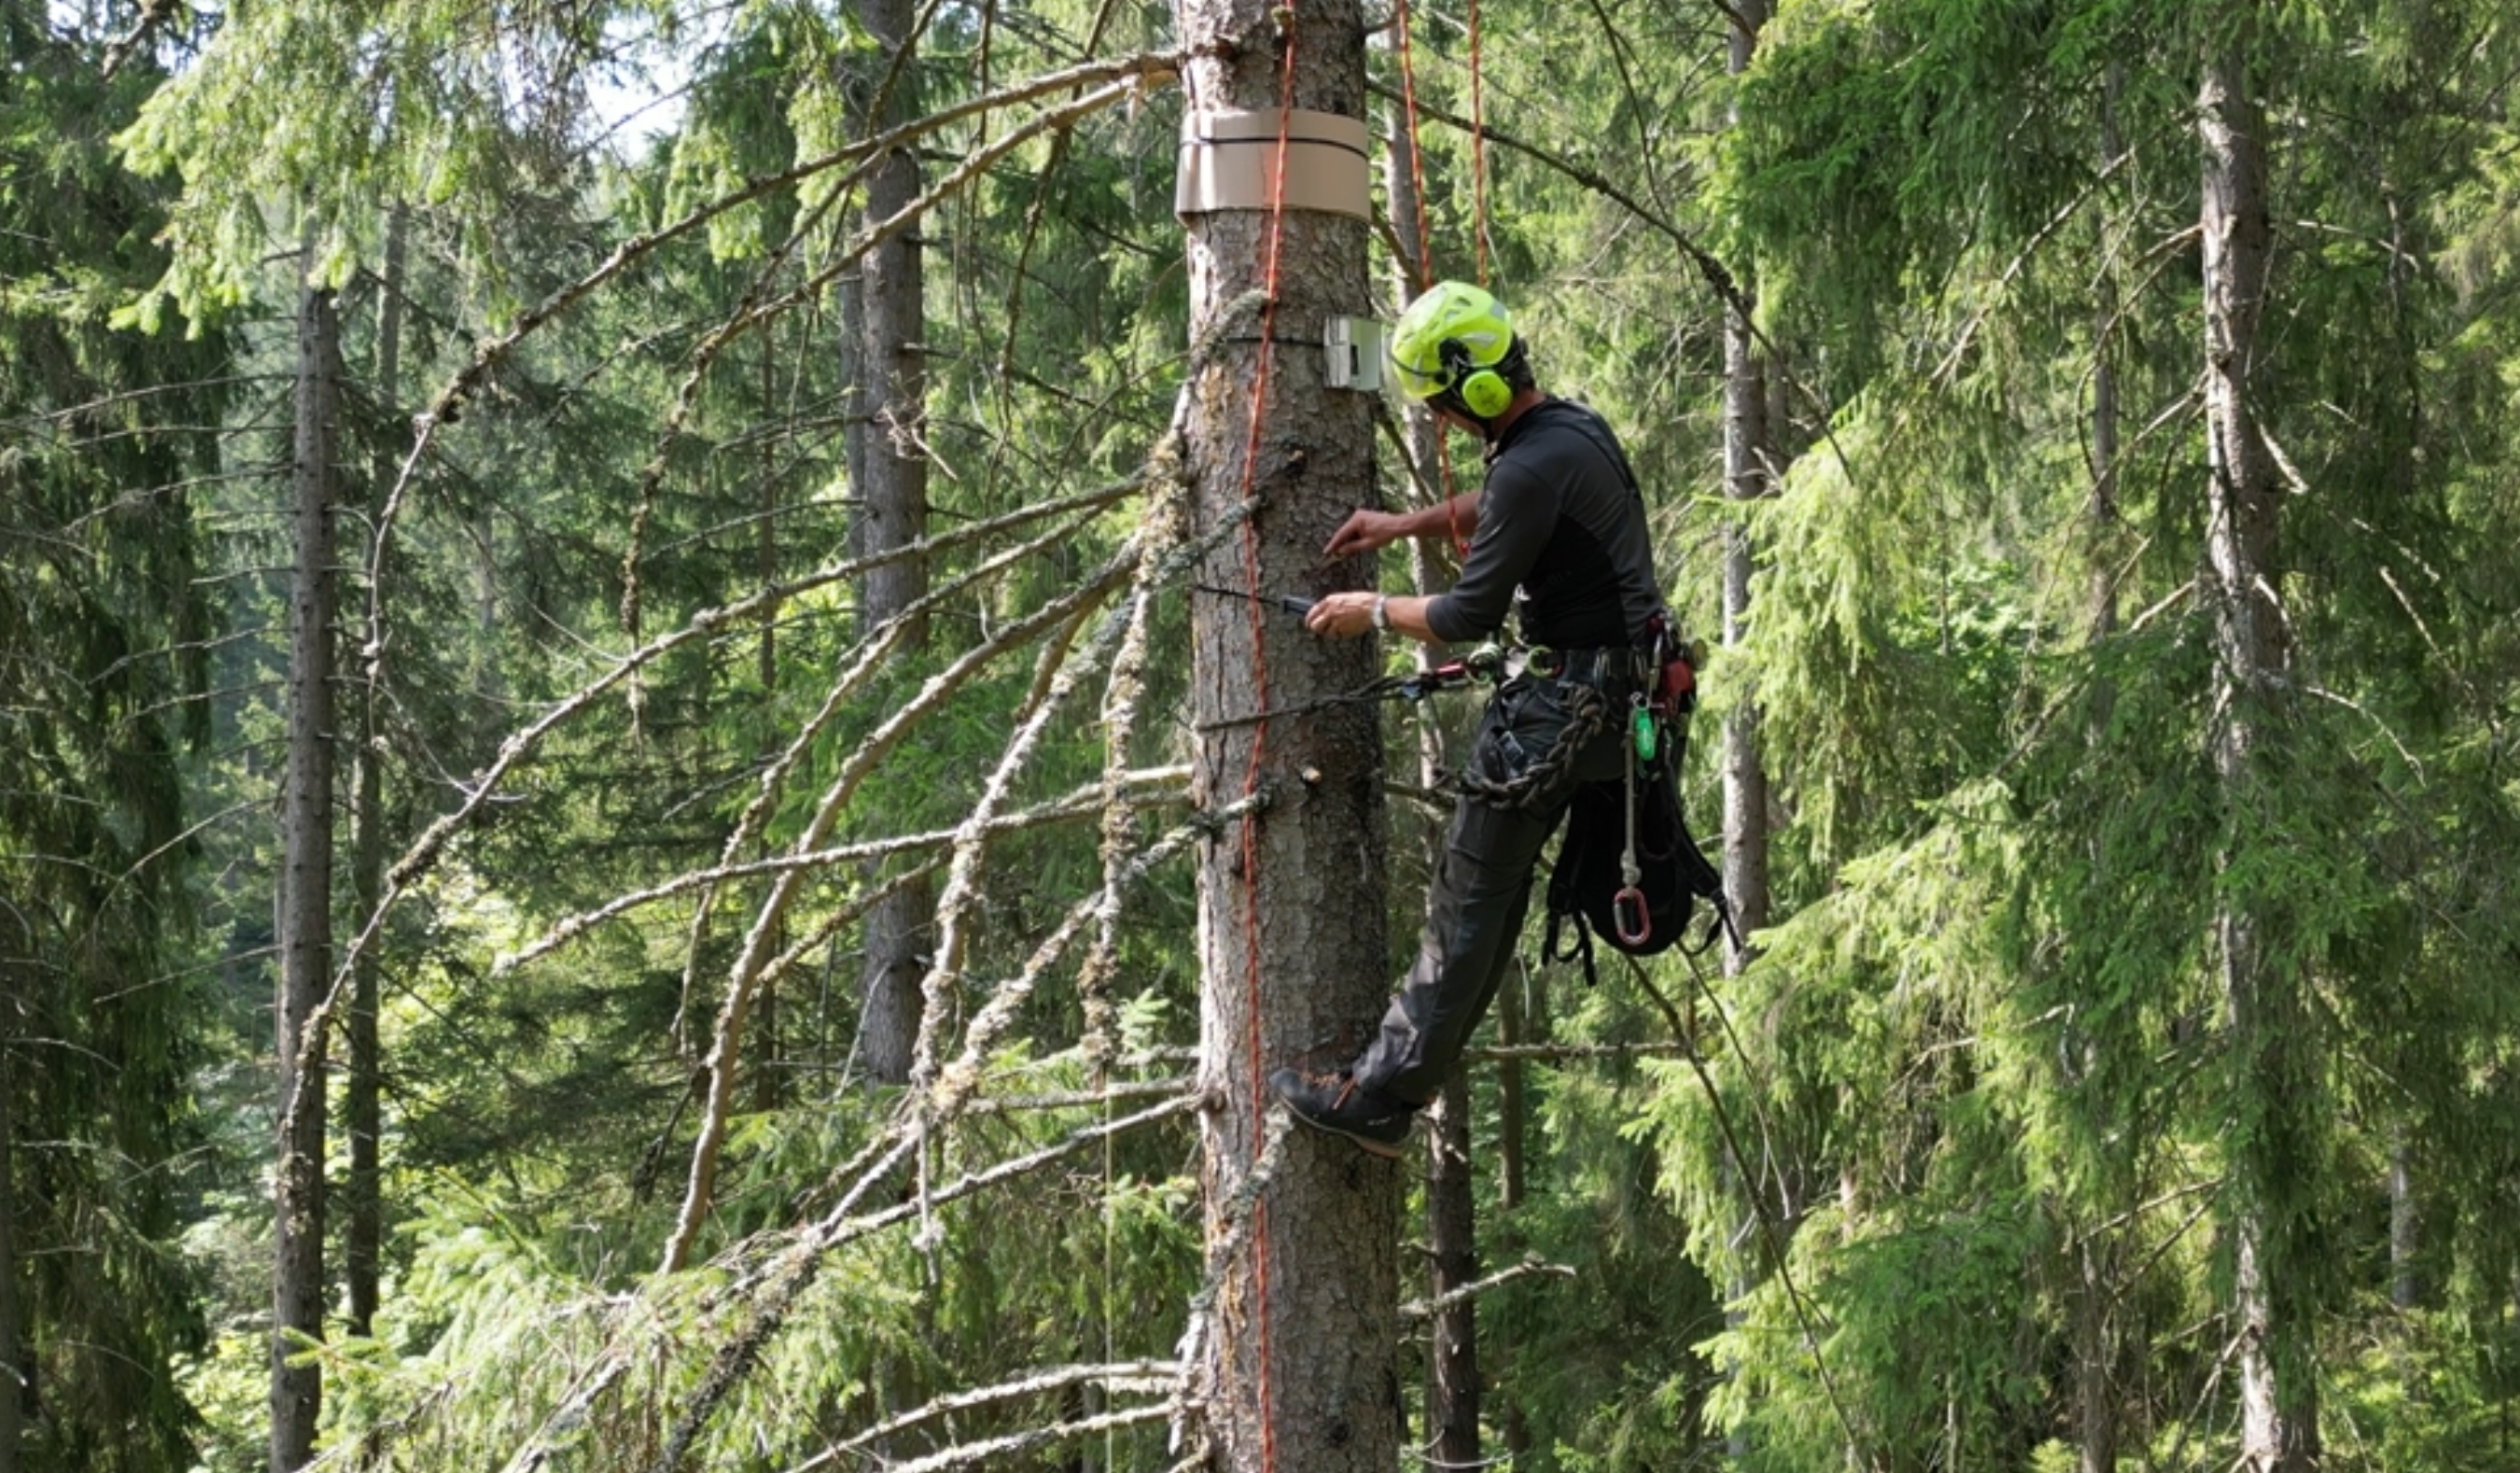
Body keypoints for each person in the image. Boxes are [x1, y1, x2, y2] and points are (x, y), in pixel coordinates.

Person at [1270, 280, 1672, 1157]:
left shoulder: (1527, 464)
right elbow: (1503, 507)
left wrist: (1372, 609)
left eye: (1440, 406)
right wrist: (1402, 525)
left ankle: (1381, 1097)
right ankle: (1401, 1082)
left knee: (1466, 906)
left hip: (1558, 715)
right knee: (1488, 906)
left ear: (1473, 392)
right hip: (1612, 706)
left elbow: (1464, 616)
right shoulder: (1570, 429)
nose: (1444, 421)